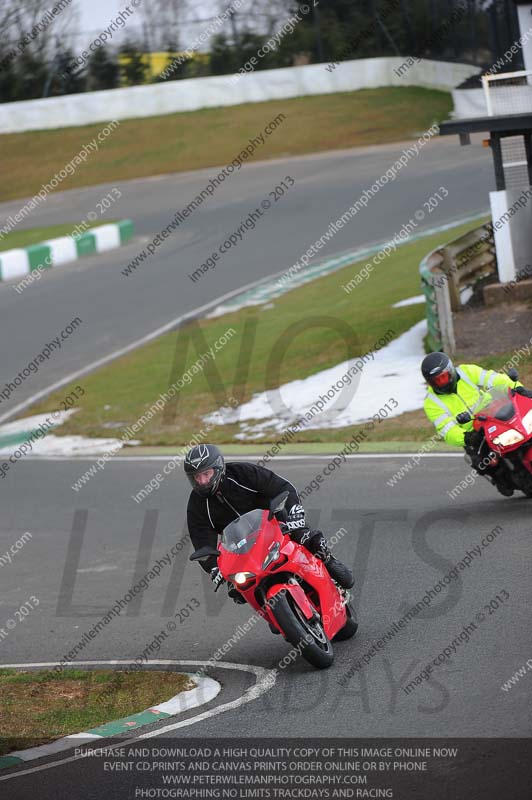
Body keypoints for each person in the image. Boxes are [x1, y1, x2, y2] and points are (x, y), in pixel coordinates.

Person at [184, 444, 354, 605]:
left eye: (206, 474)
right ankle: (270, 609)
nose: (202, 481)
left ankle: (329, 562)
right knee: (237, 589)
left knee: (305, 538)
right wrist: (213, 567)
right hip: (241, 547)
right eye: (197, 477)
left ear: (219, 468)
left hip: (274, 523)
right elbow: (201, 540)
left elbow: (281, 487)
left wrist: (294, 512)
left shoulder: (242, 473)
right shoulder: (196, 504)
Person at [421, 352, 532, 495]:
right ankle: (500, 480)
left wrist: (519, 389)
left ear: (451, 371)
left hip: (494, 415)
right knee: (484, 462)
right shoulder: (431, 402)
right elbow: (446, 430)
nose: (442, 382)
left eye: (443, 377)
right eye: (436, 381)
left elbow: (498, 380)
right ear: (430, 382)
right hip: (475, 433)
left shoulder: (467, 371)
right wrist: (466, 437)